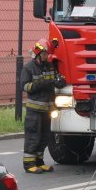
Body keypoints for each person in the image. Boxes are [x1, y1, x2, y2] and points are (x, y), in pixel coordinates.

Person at [20, 38, 66, 174]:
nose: (47, 56)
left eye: (48, 54)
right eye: (45, 53)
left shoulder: (49, 66)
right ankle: (29, 164)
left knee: (45, 137)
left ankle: (39, 162)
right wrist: (41, 84)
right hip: (34, 110)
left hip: (47, 109)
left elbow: (56, 79)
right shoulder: (28, 68)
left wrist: (59, 82)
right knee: (33, 136)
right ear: (38, 53)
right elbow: (25, 87)